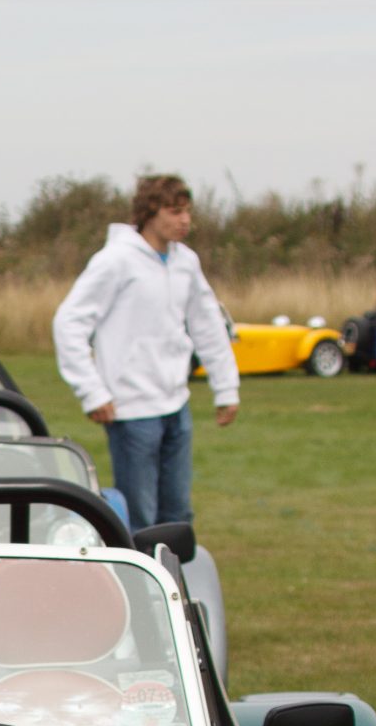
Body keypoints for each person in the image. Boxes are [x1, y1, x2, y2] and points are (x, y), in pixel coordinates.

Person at [52, 174, 238, 529]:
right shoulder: (116, 260)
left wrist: (226, 387)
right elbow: (69, 323)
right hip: (131, 409)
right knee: (139, 517)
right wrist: (93, 392)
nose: (185, 221)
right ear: (150, 213)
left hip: (176, 404)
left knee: (178, 514)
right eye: (175, 212)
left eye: (188, 212)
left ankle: (175, 567)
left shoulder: (186, 262)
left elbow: (207, 324)